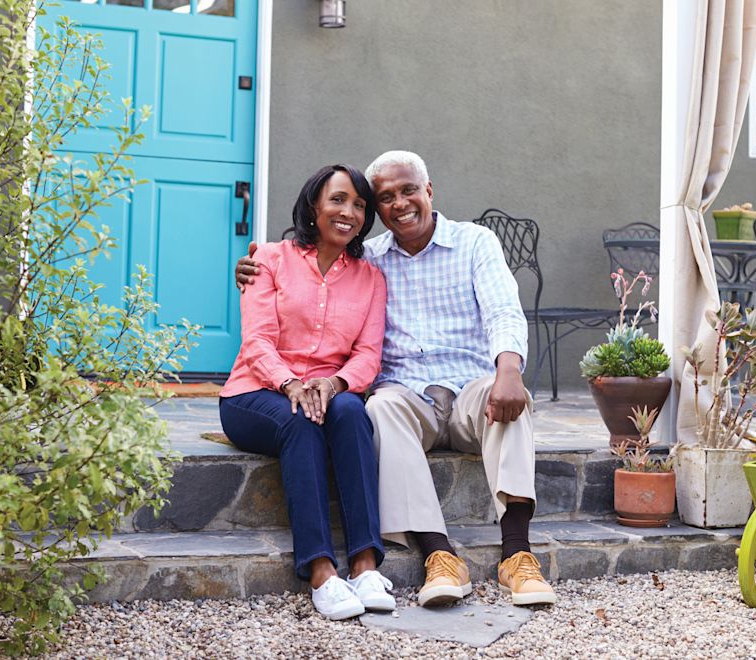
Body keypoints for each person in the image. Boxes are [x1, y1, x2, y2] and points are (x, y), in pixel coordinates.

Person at [238, 151, 556, 607]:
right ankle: (438, 556)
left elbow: (504, 310)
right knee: (379, 407)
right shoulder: (368, 259)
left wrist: (509, 369)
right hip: (408, 393)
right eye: (385, 197)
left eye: (409, 190)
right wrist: (251, 264)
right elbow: (305, 265)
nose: (400, 203)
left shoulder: (475, 242)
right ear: (378, 210)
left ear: (429, 191)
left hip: (470, 388)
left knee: (509, 396)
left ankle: (517, 554)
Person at [220, 164, 392, 621]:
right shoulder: (270, 259)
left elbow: (368, 355)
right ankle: (320, 570)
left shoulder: (370, 278)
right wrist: (291, 383)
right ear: (314, 205)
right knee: (300, 421)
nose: (348, 212)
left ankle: (364, 564)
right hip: (254, 393)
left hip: (327, 391)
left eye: (359, 204)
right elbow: (256, 341)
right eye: (338, 200)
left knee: (354, 413)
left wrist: (334, 383)